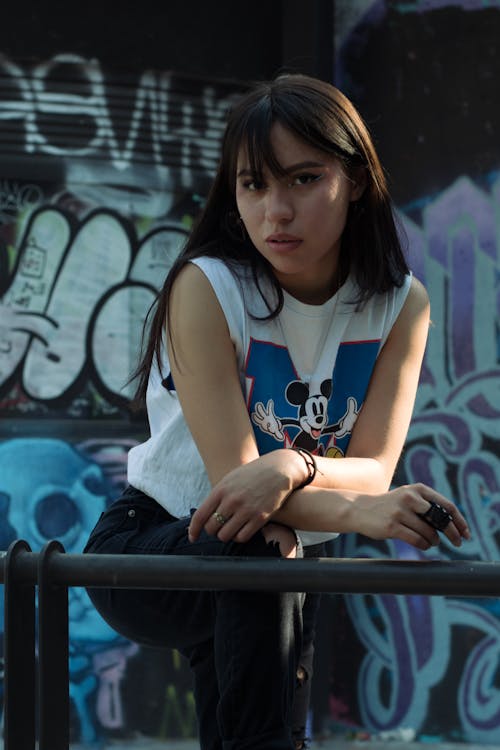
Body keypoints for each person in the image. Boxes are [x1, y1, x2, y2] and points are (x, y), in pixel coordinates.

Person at [84, 74, 470, 750]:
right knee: (263, 555)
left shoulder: (398, 304)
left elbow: (375, 468)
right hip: (157, 546)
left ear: (352, 179)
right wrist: (342, 501)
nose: (275, 212)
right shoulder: (208, 287)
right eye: (254, 185)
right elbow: (242, 491)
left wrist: (294, 466)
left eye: (302, 180)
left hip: (283, 562)